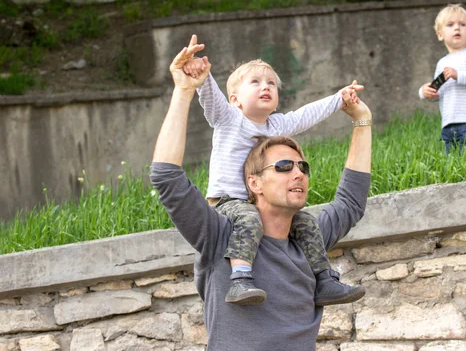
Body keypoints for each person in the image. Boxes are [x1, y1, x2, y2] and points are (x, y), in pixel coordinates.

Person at [150, 37, 372, 350]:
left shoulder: (307, 241)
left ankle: (325, 280)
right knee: (246, 220)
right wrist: (188, 88)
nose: (297, 173)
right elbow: (167, 178)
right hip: (231, 207)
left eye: (302, 167)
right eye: (283, 166)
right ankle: (242, 277)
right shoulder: (219, 236)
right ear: (254, 182)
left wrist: (359, 118)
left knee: (304, 222)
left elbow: (350, 202)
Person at [419, 3, 466, 155]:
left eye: (462, 24)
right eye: (450, 25)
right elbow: (438, 94)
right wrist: (424, 92)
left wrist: (457, 74)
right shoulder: (442, 63)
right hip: (448, 123)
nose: (457, 28)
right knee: (451, 163)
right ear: (440, 34)